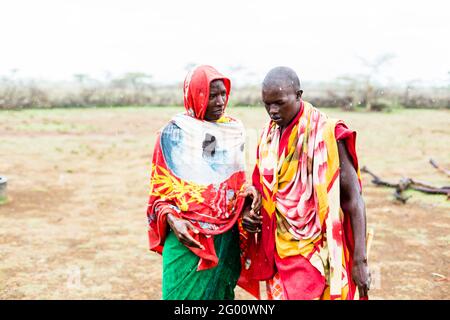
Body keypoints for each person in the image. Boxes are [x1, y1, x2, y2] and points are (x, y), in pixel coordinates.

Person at [242, 66, 371, 300]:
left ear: (299, 95)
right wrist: (247, 212)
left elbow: (354, 200)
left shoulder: (328, 135)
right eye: (266, 104)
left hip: (320, 253)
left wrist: (360, 260)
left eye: (279, 102)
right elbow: (259, 186)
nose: (272, 111)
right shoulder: (267, 137)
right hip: (278, 253)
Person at [146, 65, 261, 300]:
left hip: (225, 236)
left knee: (219, 294)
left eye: (223, 94)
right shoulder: (173, 135)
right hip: (187, 237)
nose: (220, 101)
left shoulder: (232, 130)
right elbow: (159, 195)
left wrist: (248, 205)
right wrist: (173, 220)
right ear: (196, 96)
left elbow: (236, 183)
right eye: (212, 95)